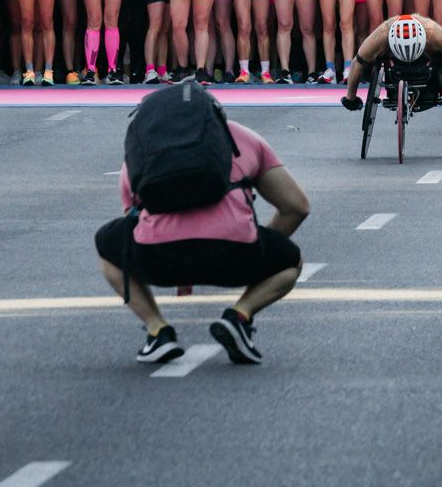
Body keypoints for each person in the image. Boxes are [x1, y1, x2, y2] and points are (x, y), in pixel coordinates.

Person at [95, 97, 311, 369]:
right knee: (291, 262)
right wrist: (257, 247)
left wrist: (182, 271)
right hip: (234, 254)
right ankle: (239, 316)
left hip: (159, 257)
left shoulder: (144, 145)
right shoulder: (242, 137)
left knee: (109, 246)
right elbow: (296, 207)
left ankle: (157, 331)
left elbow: (132, 217)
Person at [338, 11, 442, 111]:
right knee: (366, 63)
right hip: (394, 66)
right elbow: (357, 63)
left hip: (427, 64)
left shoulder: (433, 32)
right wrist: (350, 97)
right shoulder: (383, 33)